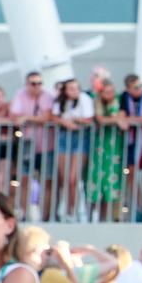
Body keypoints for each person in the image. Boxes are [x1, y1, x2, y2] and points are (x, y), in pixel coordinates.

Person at [8, 72, 55, 220]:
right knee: (24, 179)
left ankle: (45, 216)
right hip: (27, 143)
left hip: (47, 145)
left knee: (47, 180)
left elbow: (47, 117)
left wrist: (27, 118)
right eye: (33, 83)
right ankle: (23, 213)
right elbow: (15, 117)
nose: (37, 87)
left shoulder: (47, 96)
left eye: (39, 83)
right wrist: (36, 119)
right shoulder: (20, 95)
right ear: (27, 84)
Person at [50, 79, 93, 222]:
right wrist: (65, 122)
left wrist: (76, 121)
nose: (74, 91)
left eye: (76, 88)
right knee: (65, 178)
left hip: (80, 137)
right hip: (63, 137)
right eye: (71, 89)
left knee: (73, 178)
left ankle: (74, 211)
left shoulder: (84, 99)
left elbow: (89, 119)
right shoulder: (60, 101)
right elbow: (55, 116)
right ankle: (67, 210)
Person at [86, 79, 126, 222]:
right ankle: (90, 216)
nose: (110, 94)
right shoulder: (95, 102)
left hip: (114, 148)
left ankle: (108, 217)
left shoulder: (119, 101)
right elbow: (101, 119)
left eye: (111, 91)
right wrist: (115, 120)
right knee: (95, 180)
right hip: (98, 147)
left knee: (112, 182)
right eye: (106, 91)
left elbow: (123, 119)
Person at [116, 75, 142, 221]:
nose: (140, 89)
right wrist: (134, 120)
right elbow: (121, 119)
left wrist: (131, 120)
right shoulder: (124, 97)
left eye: (140, 86)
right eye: (136, 87)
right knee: (130, 173)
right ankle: (140, 206)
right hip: (132, 142)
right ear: (128, 89)